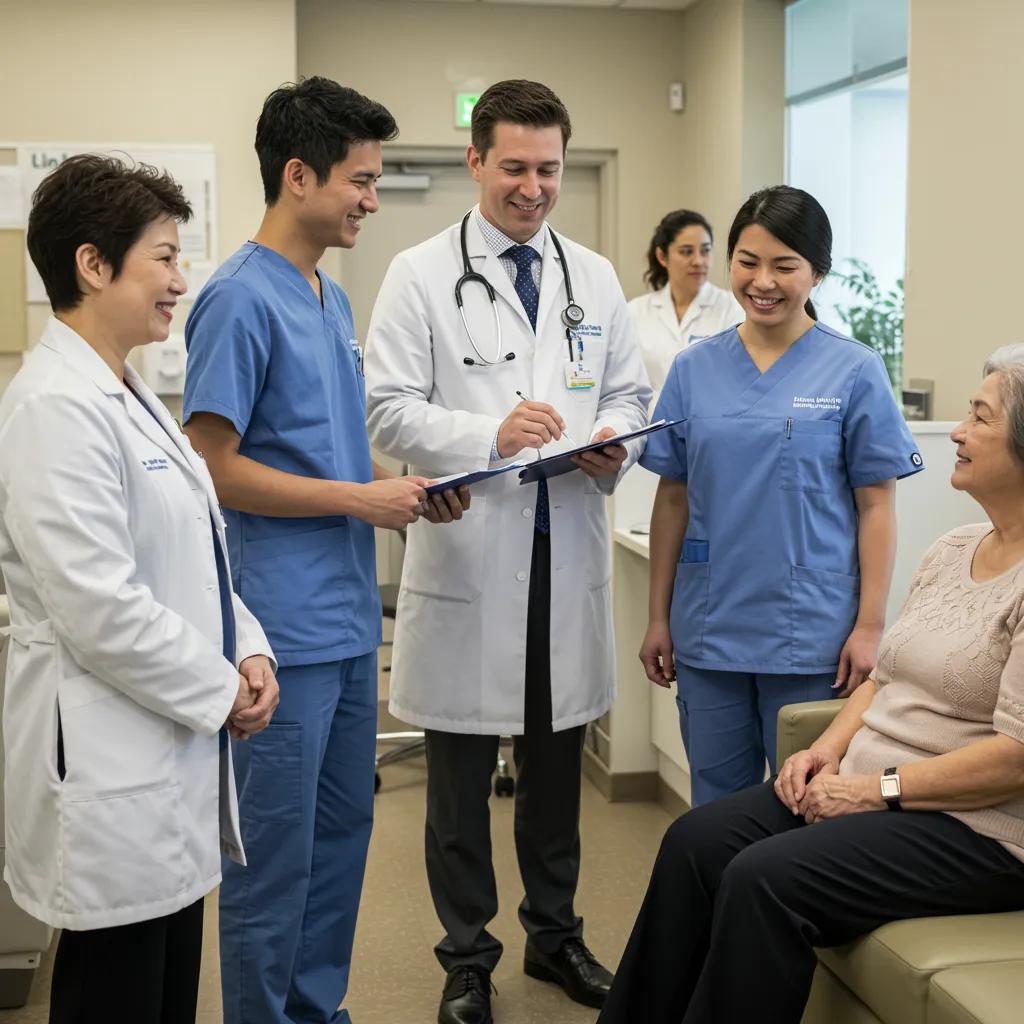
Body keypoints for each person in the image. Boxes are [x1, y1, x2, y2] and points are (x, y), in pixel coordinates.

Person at [600, 346, 1024, 1024]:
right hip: (879, 785)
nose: (960, 431)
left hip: (976, 829)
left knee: (763, 880)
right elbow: (882, 681)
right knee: (695, 844)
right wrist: (825, 752)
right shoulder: (954, 549)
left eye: (979, 416)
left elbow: (1015, 759)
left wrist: (870, 790)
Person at [364, 79, 652, 1024]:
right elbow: (388, 407)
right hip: (472, 553)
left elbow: (625, 395)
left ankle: (556, 937)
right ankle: (466, 958)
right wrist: (492, 434)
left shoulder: (596, 277)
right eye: (515, 167)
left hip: (564, 545)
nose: (533, 188)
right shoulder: (417, 273)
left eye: (550, 169)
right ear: (476, 161)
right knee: (456, 786)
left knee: (556, 772)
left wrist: (611, 443)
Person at [181, 78, 466, 1024]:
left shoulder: (329, 300)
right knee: (275, 855)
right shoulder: (235, 299)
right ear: (298, 176)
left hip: (345, 621)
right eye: (360, 180)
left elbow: (329, 445)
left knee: (343, 838)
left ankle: (317, 1008)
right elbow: (212, 468)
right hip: (281, 627)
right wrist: (360, 497)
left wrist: (409, 488)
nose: (372, 200)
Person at [0, 154, 279, 1024]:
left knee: (163, 989)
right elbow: (98, 607)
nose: (179, 279)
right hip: (110, 759)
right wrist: (219, 686)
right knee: (115, 991)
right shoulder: (55, 407)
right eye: (162, 256)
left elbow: (195, 553)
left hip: (167, 753)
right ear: (93, 264)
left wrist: (250, 643)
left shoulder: (132, 390)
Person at [638, 185, 924, 808]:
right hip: (710, 628)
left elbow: (877, 506)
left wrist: (871, 625)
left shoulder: (853, 370)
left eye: (785, 265)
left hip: (814, 634)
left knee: (808, 805)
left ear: (816, 272)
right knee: (715, 806)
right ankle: (717, 911)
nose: (762, 281)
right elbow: (673, 498)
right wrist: (658, 616)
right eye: (747, 260)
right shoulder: (694, 369)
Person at [628, 209, 742, 392]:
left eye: (705, 251)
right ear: (662, 257)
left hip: (710, 418)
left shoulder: (732, 308)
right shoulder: (636, 311)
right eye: (686, 252)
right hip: (650, 418)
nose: (698, 261)